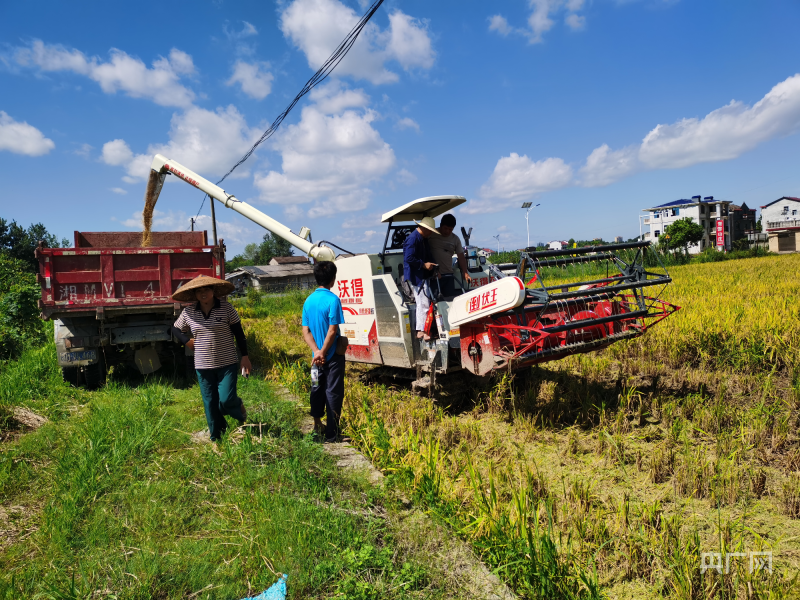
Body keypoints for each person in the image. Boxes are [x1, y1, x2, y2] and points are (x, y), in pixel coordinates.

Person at [171, 275, 251, 442]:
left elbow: (239, 334)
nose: (203, 293)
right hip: (203, 364)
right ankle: (216, 436)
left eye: (206, 289)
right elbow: (176, 329)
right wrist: (187, 341)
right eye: (199, 291)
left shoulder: (227, 308)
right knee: (210, 403)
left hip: (227, 363)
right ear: (195, 295)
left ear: (213, 291)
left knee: (226, 399)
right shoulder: (189, 312)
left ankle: (238, 407)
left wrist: (245, 356)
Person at [302, 261, 346, 442]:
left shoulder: (308, 300)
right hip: (333, 358)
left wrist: (316, 352)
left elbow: (306, 331)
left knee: (315, 387)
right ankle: (332, 433)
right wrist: (324, 352)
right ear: (333, 279)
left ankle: (317, 423)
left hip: (315, 360)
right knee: (333, 391)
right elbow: (332, 330)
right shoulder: (333, 300)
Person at [403, 216, 439, 341]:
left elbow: (429, 255)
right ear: (424, 228)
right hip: (416, 276)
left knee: (423, 302)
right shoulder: (412, 239)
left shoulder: (423, 239)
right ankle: (423, 330)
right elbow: (409, 258)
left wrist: (434, 267)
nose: (430, 233)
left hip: (422, 275)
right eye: (430, 231)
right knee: (423, 302)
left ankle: (422, 329)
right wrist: (424, 265)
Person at [428, 213, 472, 297]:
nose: (447, 231)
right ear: (440, 225)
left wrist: (465, 272)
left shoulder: (455, 239)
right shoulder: (431, 234)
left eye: (450, 229)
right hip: (433, 276)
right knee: (435, 302)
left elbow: (461, 257)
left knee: (450, 301)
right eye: (445, 228)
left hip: (448, 275)